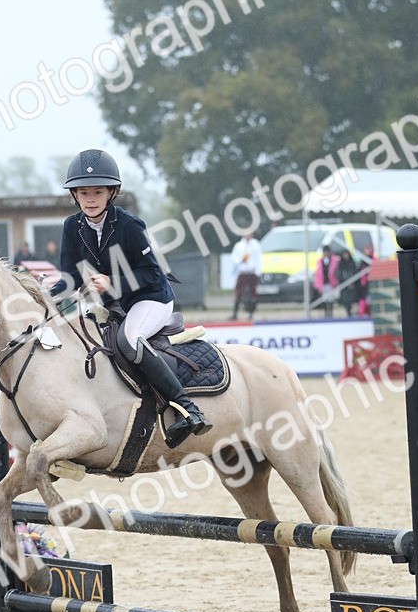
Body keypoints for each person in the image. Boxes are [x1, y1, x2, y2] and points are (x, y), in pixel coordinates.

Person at [49, 148, 211, 448]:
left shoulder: (130, 225)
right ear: (75, 196)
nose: (91, 199)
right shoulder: (72, 227)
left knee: (129, 340)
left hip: (152, 298)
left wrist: (113, 283)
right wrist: (45, 296)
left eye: (98, 191)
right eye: (83, 193)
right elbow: (70, 276)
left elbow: (152, 274)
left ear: (112, 192)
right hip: (115, 305)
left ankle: (187, 408)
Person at [229, 230, 262, 320]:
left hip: (252, 272)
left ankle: (251, 313)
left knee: (253, 293)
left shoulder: (255, 245)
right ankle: (235, 313)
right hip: (243, 272)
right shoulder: (239, 246)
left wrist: (258, 271)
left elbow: (258, 258)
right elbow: (234, 258)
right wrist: (240, 261)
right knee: (239, 292)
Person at [313, 244, 338, 318]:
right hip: (323, 284)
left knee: (330, 300)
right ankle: (326, 314)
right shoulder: (320, 262)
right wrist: (318, 286)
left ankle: (330, 314)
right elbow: (318, 274)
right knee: (324, 300)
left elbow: (334, 272)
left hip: (331, 284)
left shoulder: (334, 261)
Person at [335, 248, 358, 318]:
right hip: (344, 286)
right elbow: (339, 274)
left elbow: (355, 273)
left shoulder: (352, 263)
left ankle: (351, 312)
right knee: (345, 300)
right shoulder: (341, 264)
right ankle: (348, 311)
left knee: (351, 300)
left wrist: (352, 282)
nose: (346, 256)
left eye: (347, 254)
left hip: (352, 286)